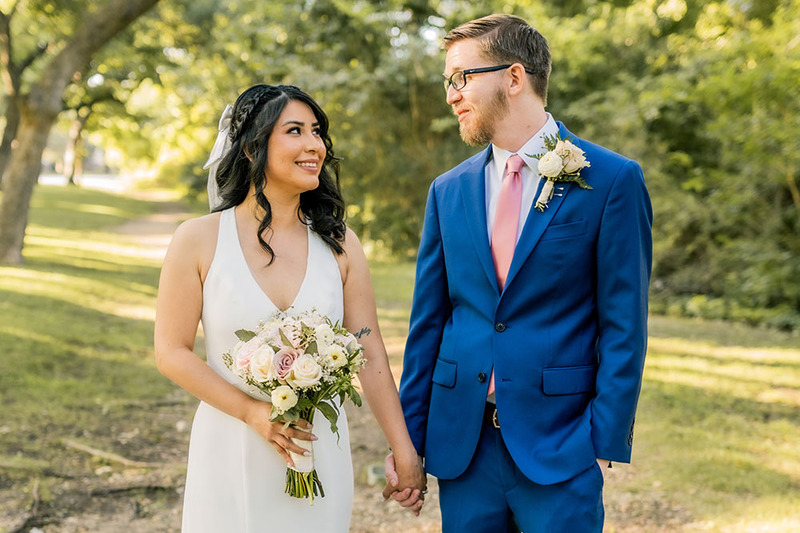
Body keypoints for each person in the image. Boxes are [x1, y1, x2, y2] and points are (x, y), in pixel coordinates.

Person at [384, 14, 653, 532]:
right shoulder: (448, 190)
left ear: (513, 77)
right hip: (463, 448)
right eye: (448, 81)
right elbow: (428, 326)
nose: (451, 95)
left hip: (561, 448)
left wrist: (600, 444)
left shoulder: (613, 180)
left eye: (462, 77)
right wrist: (410, 440)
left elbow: (625, 325)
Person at [154, 84, 425, 532]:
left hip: (316, 449)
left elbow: (370, 353)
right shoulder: (197, 240)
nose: (313, 145)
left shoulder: (340, 244)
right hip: (231, 445)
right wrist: (252, 412)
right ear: (250, 148)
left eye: (316, 132)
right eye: (294, 131)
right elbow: (171, 351)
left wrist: (404, 449)